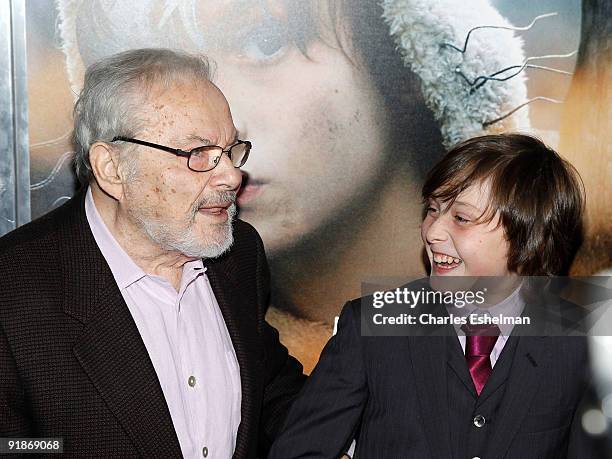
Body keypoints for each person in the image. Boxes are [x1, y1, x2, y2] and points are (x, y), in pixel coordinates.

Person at [53, 0, 531, 371]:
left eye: (264, 42)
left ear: (401, 53)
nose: (216, 124)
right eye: (164, 79)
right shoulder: (207, 347)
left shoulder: (563, 316)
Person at [0, 48, 305, 458]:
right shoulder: (13, 289)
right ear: (112, 169)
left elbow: (267, 385)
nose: (232, 175)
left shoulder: (239, 254)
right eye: (198, 154)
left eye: (230, 150)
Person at [269, 134, 599, 458]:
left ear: (529, 236)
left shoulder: (580, 341)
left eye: (461, 218)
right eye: (433, 209)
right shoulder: (372, 325)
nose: (432, 231)